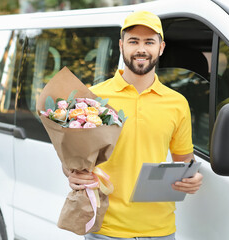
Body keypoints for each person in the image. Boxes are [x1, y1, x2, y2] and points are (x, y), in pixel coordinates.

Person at [63, 11, 203, 240]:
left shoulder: (177, 103)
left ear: (161, 47)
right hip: (105, 229)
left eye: (149, 42)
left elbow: (185, 161)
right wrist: (72, 174)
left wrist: (192, 178)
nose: (141, 49)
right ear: (121, 46)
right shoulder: (95, 97)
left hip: (161, 230)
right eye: (133, 41)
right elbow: (74, 161)